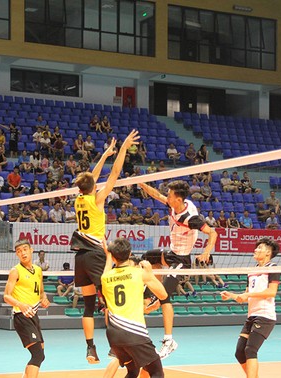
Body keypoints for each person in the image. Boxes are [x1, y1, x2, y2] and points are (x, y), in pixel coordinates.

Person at [70, 130, 139, 363]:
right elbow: (115, 175)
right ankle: (115, 347)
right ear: (93, 186)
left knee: (89, 305)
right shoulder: (98, 199)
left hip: (79, 255)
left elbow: (91, 176)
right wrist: (120, 152)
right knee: (110, 301)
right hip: (95, 254)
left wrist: (105, 155)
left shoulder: (79, 198)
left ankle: (90, 348)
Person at [139, 180, 218, 359]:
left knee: (164, 298)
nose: (167, 196)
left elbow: (213, 233)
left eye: (170, 195)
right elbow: (156, 195)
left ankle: (169, 341)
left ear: (178, 199)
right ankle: (150, 295)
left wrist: (206, 252)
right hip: (171, 253)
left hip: (181, 260)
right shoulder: (175, 204)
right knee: (146, 260)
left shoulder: (191, 218)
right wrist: (141, 184)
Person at [101, 238, 167, 378]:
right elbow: (163, 294)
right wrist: (150, 273)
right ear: (130, 253)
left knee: (132, 371)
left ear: (113, 256)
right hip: (134, 333)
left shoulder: (105, 277)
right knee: (156, 372)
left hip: (114, 335)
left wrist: (107, 254)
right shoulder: (139, 273)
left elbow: (107, 267)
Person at [220, 237, 281, 378]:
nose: (256, 249)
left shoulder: (273, 268)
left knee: (250, 350)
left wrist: (249, 294)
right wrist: (232, 295)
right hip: (252, 315)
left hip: (265, 316)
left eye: (260, 248)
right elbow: (246, 296)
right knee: (239, 351)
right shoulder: (251, 271)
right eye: (256, 247)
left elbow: (271, 292)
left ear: (268, 253)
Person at [3, 239, 50, 378]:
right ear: (17, 255)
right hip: (21, 316)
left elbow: (41, 292)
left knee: (40, 354)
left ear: (31, 250)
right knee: (37, 355)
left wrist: (44, 299)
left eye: (24, 249)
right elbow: (6, 296)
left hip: (33, 315)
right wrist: (21, 305)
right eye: (19, 251)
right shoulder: (15, 271)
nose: (22, 253)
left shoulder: (38, 270)